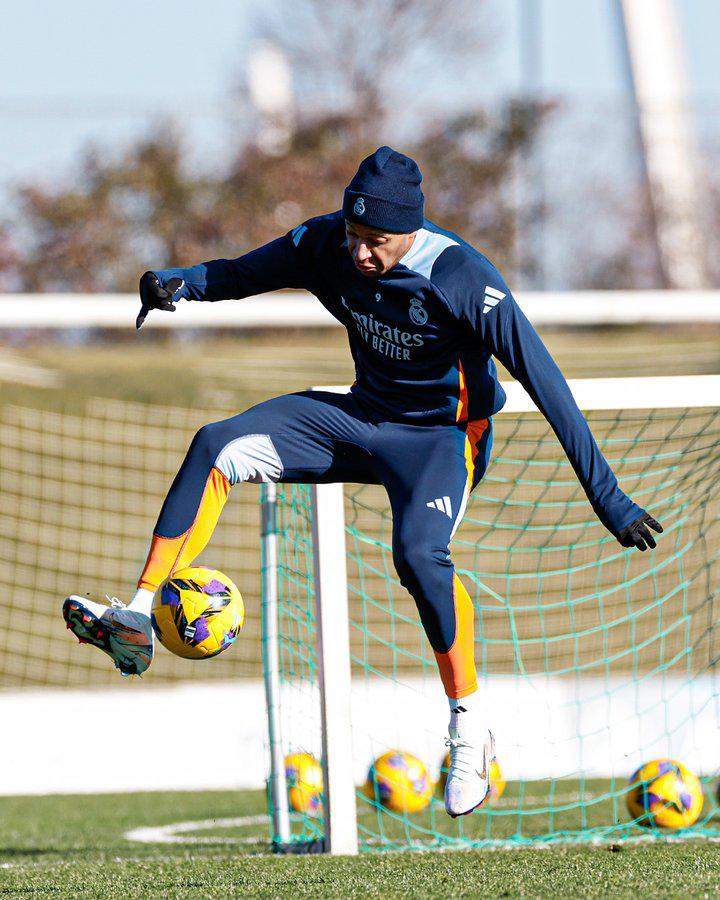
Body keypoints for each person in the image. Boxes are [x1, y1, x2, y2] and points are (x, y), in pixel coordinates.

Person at [62, 146, 662, 817]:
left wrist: (609, 499)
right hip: (360, 417)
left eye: (375, 242)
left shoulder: (463, 277)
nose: (360, 254)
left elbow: (547, 386)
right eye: (353, 236)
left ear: (410, 231)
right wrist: (180, 282)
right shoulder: (326, 242)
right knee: (217, 444)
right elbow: (243, 273)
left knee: (417, 556)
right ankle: (139, 615)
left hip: (441, 441)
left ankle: (468, 727)